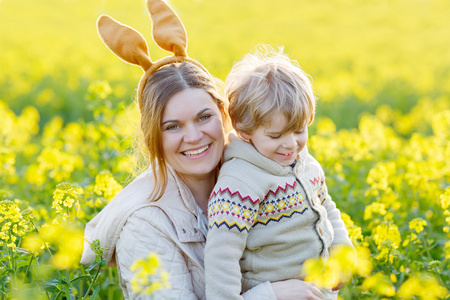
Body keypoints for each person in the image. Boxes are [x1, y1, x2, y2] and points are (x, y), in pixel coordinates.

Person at [81, 1, 324, 299]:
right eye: (173, 126)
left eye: (204, 117)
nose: (194, 137)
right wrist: (270, 295)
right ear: (153, 136)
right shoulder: (144, 225)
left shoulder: (265, 162)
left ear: (226, 115)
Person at [204, 47, 354, 300]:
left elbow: (326, 206)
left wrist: (342, 249)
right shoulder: (238, 184)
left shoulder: (304, 164)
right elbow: (222, 256)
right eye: (275, 136)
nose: (291, 145)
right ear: (244, 129)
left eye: (299, 131)